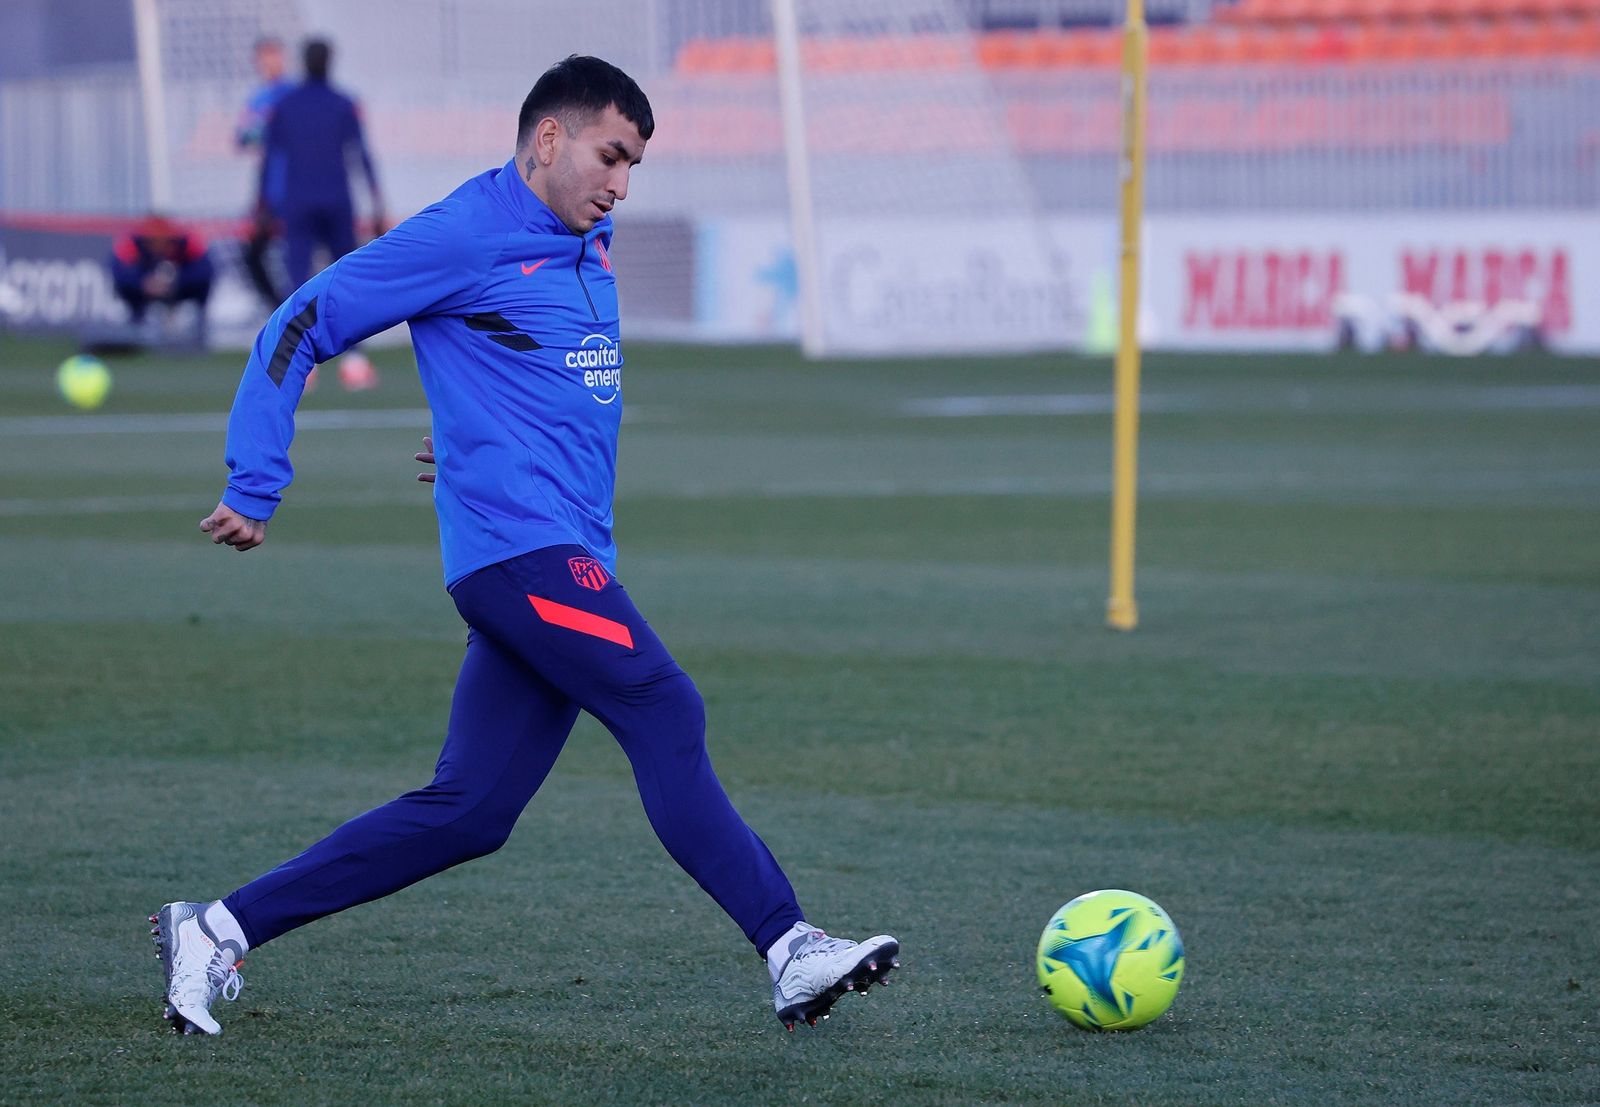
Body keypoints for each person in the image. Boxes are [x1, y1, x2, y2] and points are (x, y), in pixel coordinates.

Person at [153, 54, 899, 1038]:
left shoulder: (585, 238)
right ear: (547, 140)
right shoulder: (467, 232)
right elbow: (301, 321)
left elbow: (520, 367)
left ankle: (214, 928)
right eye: (610, 156)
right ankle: (788, 945)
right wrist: (256, 478)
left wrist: (469, 435)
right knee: (662, 702)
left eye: (634, 166)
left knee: (470, 811)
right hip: (526, 556)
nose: (621, 184)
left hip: (555, 545)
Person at [262, 37, 384, 388]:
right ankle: (355, 361)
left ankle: (298, 363)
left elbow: (270, 162)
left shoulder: (286, 104)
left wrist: (263, 207)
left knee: (297, 279)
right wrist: (376, 202)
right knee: (346, 280)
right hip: (335, 200)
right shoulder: (342, 103)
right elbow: (361, 156)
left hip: (297, 201)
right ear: (329, 62)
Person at [235, 36, 293, 309]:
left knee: (300, 254)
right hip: (270, 191)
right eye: (264, 57)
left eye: (274, 55)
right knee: (253, 252)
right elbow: (243, 138)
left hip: (298, 188)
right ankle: (278, 309)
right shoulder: (260, 98)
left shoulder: (294, 93)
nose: (269, 62)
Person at [108, 214, 214, 341]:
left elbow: (205, 270)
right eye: (154, 240)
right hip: (144, 289)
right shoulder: (132, 243)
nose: (159, 245)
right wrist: (144, 284)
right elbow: (120, 271)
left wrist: (177, 283)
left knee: (201, 286)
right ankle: (135, 325)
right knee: (125, 288)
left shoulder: (185, 241)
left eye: (164, 240)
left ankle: (199, 328)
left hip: (179, 288)